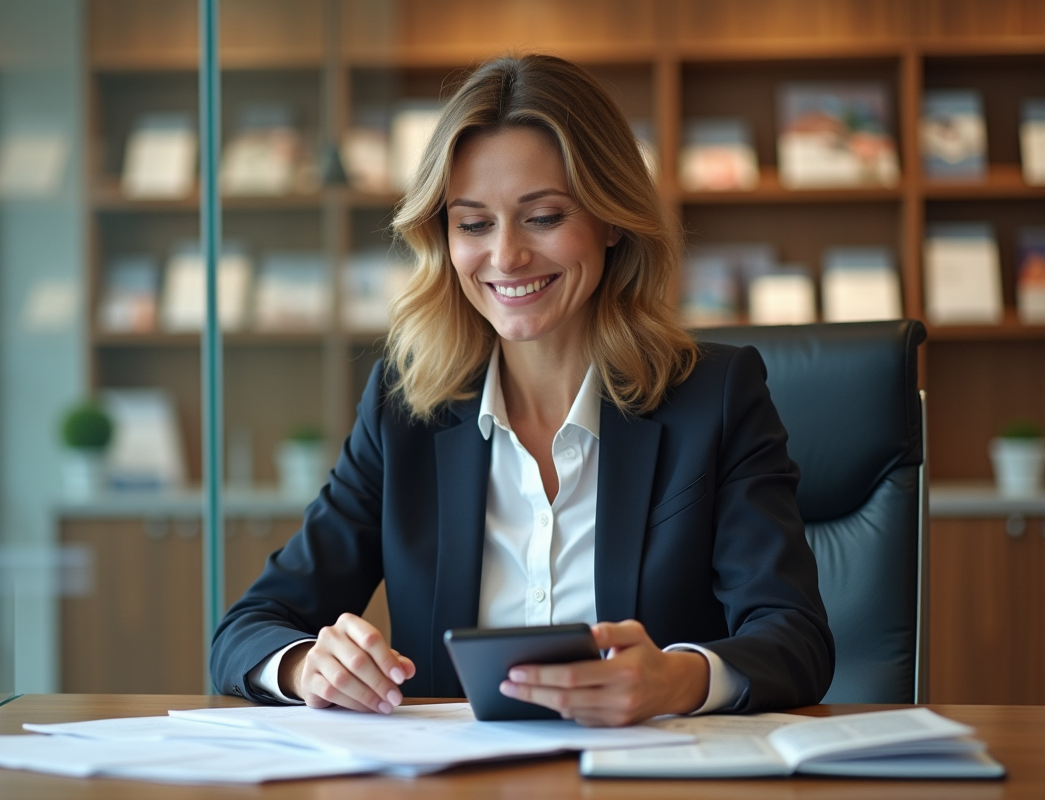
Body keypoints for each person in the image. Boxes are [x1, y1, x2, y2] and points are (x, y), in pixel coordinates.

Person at [211, 54, 834, 726]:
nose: (506, 257)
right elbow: (247, 629)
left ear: (612, 218)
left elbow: (795, 639)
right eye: (473, 224)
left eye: (542, 217)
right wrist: (309, 664)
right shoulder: (405, 407)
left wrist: (678, 680)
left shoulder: (714, 396)